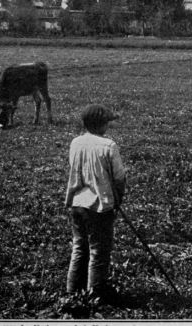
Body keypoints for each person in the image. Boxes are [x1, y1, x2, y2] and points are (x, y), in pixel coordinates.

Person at [65, 104, 126, 302]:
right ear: (102, 125)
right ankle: (96, 295)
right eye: (107, 122)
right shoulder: (109, 146)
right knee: (99, 250)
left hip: (77, 203)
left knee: (79, 246)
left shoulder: (75, 142)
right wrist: (118, 198)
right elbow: (119, 178)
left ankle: (72, 292)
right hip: (100, 206)